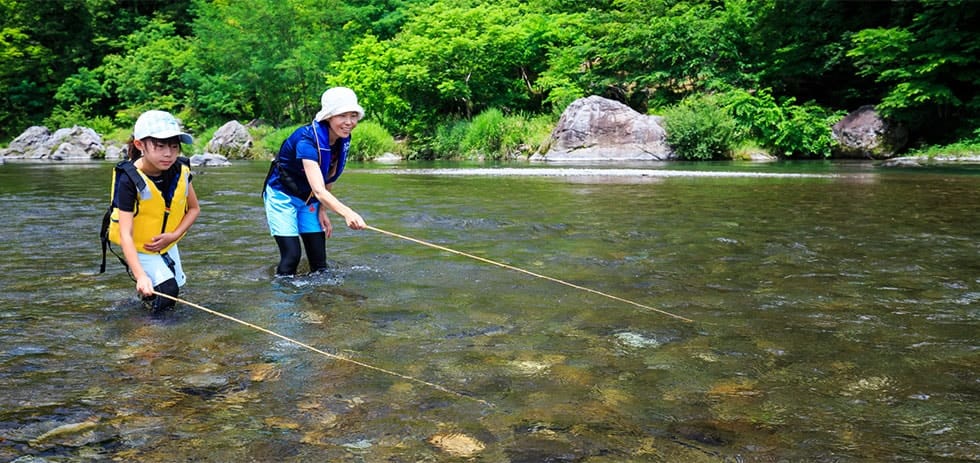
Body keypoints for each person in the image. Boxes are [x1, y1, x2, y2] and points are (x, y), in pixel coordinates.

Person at [262, 87, 367, 276]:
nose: (349, 122)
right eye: (342, 116)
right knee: (291, 256)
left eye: (354, 115)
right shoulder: (306, 141)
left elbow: (328, 177)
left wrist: (323, 210)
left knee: (320, 263)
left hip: (309, 200)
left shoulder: (341, 139)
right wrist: (347, 213)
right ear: (329, 117)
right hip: (282, 197)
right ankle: (283, 301)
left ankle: (319, 303)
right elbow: (319, 190)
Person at [104, 110, 201, 311]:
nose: (168, 154)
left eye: (174, 147)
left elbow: (194, 209)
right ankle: (151, 338)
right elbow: (125, 234)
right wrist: (140, 275)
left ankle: (153, 322)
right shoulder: (128, 179)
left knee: (172, 292)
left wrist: (173, 235)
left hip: (167, 242)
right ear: (140, 145)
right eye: (159, 146)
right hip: (140, 247)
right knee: (167, 292)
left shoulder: (180, 170)